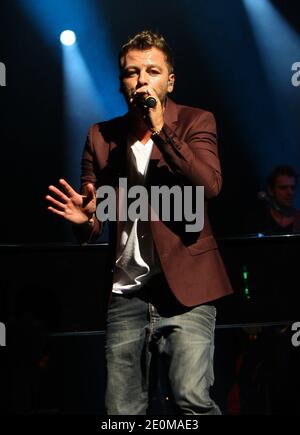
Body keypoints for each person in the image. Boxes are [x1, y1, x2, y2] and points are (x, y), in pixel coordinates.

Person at [46, 30, 233, 415]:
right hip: (126, 293)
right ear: (121, 82)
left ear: (170, 80)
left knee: (191, 400)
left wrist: (162, 130)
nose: (142, 80)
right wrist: (84, 219)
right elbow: (92, 221)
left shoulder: (197, 121)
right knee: (122, 410)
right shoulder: (101, 137)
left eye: (152, 70)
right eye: (132, 72)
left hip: (189, 292)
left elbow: (209, 186)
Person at [245, 165, 300, 235]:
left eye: (293, 188)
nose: (290, 192)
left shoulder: (298, 218)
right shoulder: (259, 219)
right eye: (283, 188)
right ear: (271, 190)